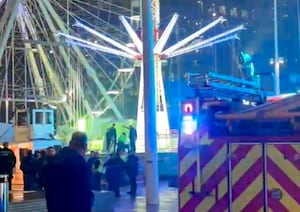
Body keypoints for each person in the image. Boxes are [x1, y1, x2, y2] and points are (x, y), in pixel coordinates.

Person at [44, 132, 94, 212]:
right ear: (85, 146)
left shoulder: (55, 160)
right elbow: (84, 190)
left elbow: (47, 185)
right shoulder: (79, 162)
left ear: (70, 143)